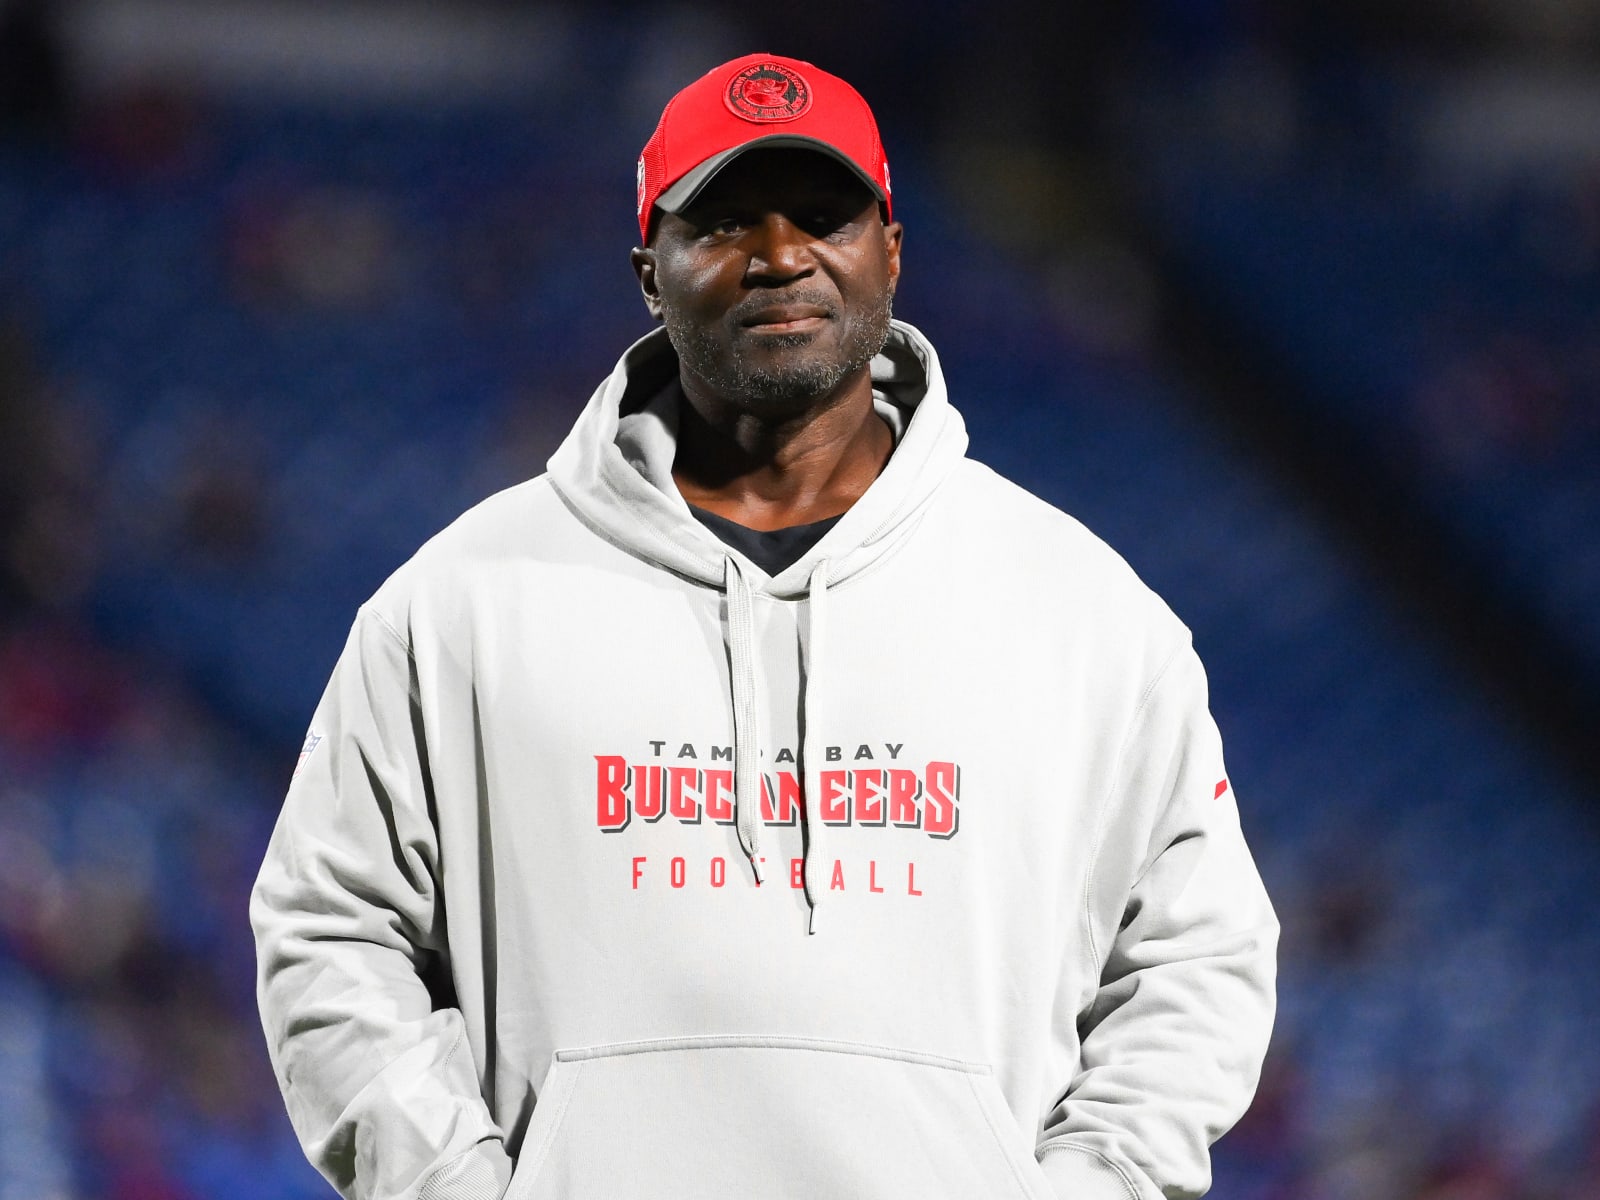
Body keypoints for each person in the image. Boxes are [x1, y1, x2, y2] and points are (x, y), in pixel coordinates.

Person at [250, 53, 1278, 1200]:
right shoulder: (461, 604)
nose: (781, 255)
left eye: (825, 215)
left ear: (891, 249)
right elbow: (327, 932)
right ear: (651, 270)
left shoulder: (1083, 612)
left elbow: (1197, 959)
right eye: (725, 220)